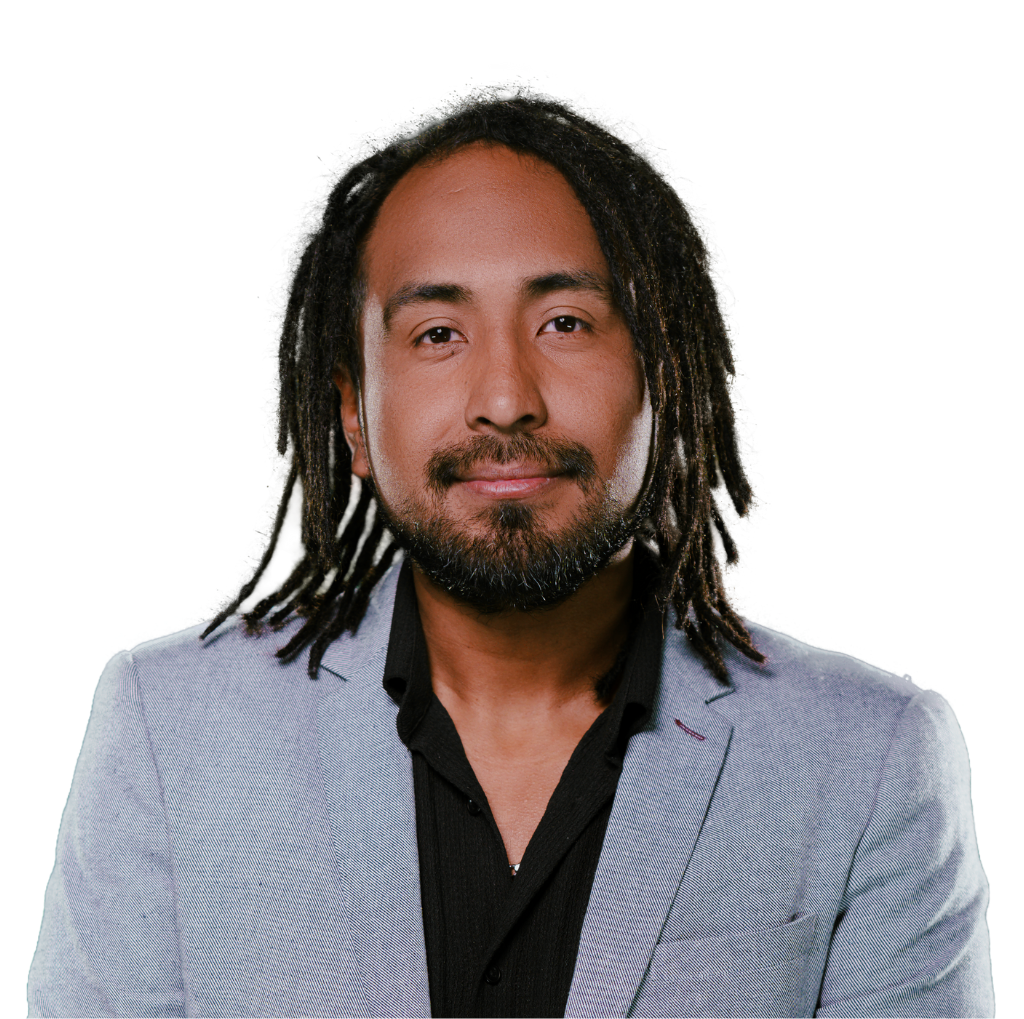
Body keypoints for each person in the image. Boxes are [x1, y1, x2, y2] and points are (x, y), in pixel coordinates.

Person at [27, 81, 994, 1017]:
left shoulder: (871, 757)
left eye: (564, 323)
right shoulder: (166, 731)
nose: (504, 398)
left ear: (663, 383)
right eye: (437, 333)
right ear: (354, 415)